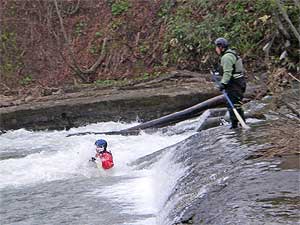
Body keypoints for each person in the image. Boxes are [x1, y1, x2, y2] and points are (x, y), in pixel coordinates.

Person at [214, 37, 247, 129]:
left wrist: (223, 84)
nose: (216, 49)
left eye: (217, 47)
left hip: (234, 85)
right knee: (237, 105)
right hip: (239, 83)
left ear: (221, 47)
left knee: (233, 105)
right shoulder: (231, 54)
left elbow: (228, 72)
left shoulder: (227, 57)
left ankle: (235, 126)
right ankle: (240, 124)